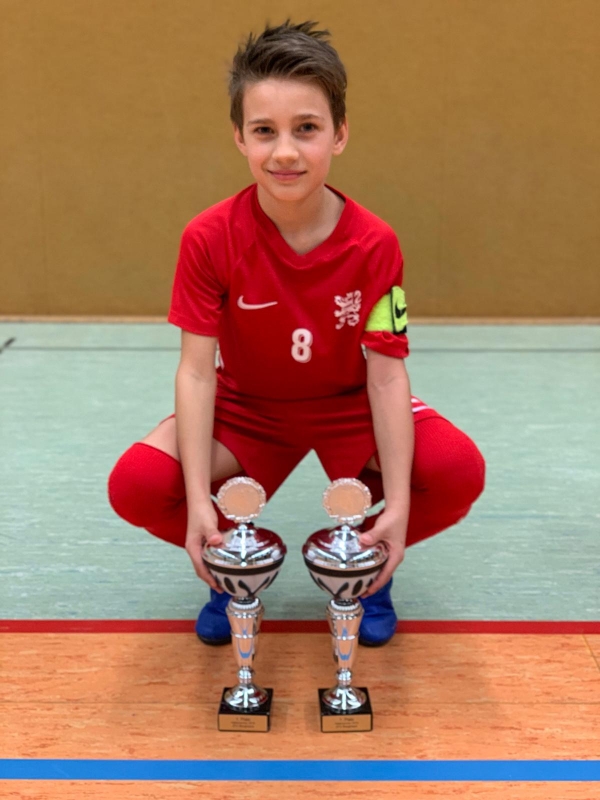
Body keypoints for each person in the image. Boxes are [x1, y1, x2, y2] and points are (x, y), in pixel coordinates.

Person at [107, 20, 485, 647]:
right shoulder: (208, 237)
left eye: (306, 128)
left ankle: (361, 562)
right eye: (265, 131)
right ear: (239, 137)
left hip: (348, 404)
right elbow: (196, 372)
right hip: (248, 407)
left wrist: (396, 513)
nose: (285, 151)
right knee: (138, 483)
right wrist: (199, 504)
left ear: (339, 133)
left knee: (455, 469)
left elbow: (385, 374)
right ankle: (236, 564)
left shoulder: (376, 243)